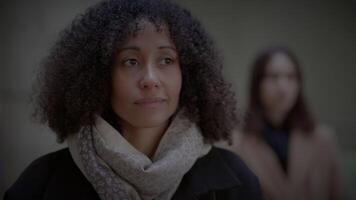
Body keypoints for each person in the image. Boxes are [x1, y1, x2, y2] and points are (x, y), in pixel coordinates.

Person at [4, 0, 263, 199]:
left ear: (188, 74)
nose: (150, 79)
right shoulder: (39, 186)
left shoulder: (237, 182)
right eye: (130, 61)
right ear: (98, 76)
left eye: (166, 60)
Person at [227, 47, 347, 200]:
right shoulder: (237, 142)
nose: (282, 87)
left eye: (291, 77)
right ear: (257, 84)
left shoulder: (323, 140)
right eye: (273, 76)